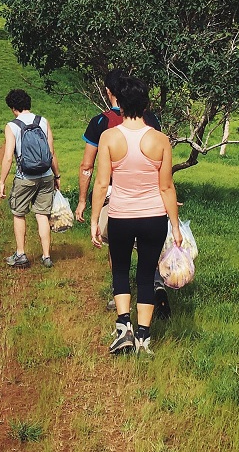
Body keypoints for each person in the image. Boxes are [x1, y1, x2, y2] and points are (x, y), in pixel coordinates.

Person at [90, 76, 182, 356]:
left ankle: (123, 330)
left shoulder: (109, 137)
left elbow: (102, 183)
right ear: (146, 104)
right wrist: (175, 226)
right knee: (145, 274)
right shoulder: (160, 140)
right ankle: (144, 338)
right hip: (154, 218)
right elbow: (166, 186)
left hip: (120, 215)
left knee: (120, 270)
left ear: (118, 102)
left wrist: (95, 220)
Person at [75, 69, 171, 318]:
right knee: (148, 253)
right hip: (152, 200)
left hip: (116, 198)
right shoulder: (151, 121)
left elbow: (88, 167)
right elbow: (163, 175)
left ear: (110, 93)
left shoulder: (101, 124)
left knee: (119, 257)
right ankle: (154, 288)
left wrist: (84, 202)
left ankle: (121, 305)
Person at [0, 89, 61, 269]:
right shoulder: (43, 121)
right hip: (46, 175)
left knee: (19, 213)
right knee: (42, 214)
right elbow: (51, 153)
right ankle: (47, 256)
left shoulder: (12, 126)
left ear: (13, 108)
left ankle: (21, 255)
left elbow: (9, 156)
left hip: (25, 177)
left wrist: (2, 181)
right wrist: (57, 175)